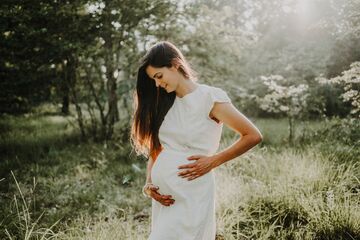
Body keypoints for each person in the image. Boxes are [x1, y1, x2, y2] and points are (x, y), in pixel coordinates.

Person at [130, 41, 262, 240]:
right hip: (165, 200)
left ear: (175, 64)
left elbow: (253, 135)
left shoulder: (209, 98)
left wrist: (212, 161)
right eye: (154, 80)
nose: (157, 84)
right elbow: (157, 149)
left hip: (192, 193)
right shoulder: (166, 102)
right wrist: (149, 183)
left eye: (159, 76)